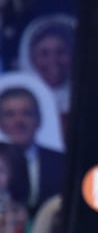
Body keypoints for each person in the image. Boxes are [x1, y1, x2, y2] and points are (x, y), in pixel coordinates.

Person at [0, 85, 65, 214]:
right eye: (10, 114)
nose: (18, 121)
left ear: (39, 119)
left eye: (26, 113)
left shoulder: (63, 162)